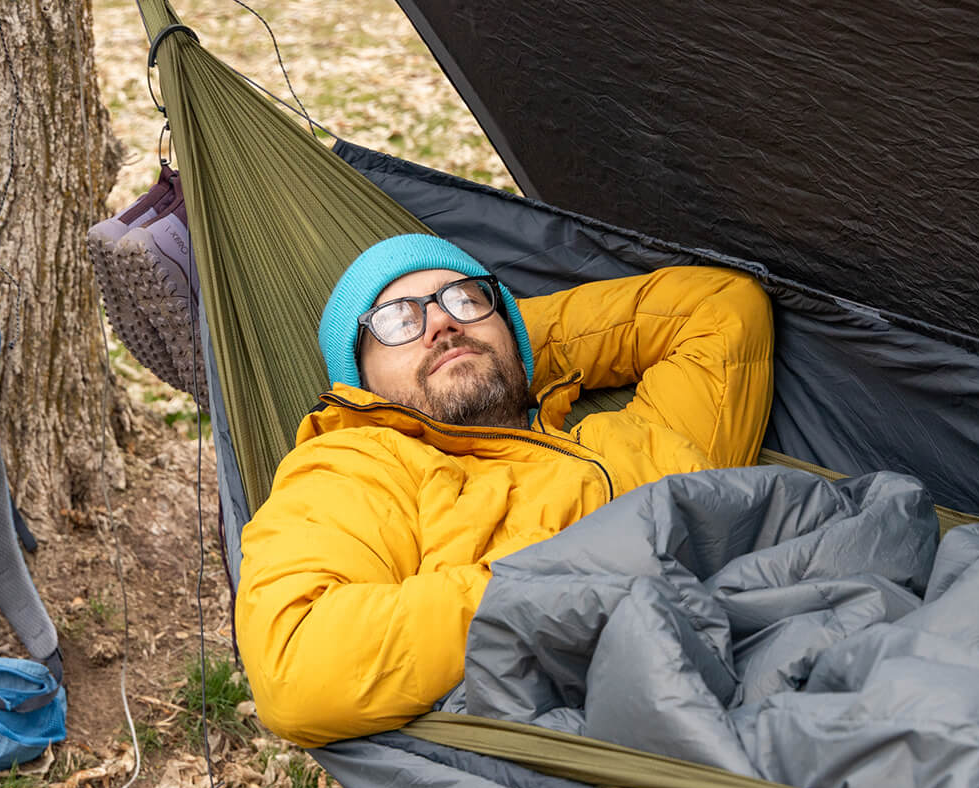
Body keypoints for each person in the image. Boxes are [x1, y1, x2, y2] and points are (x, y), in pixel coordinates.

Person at [236, 234, 774, 747]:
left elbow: (721, 307)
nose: (440, 322)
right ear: (359, 384)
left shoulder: (626, 437)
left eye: (465, 297)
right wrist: (571, 572)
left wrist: (505, 347)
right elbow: (298, 666)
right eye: (398, 320)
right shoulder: (360, 464)